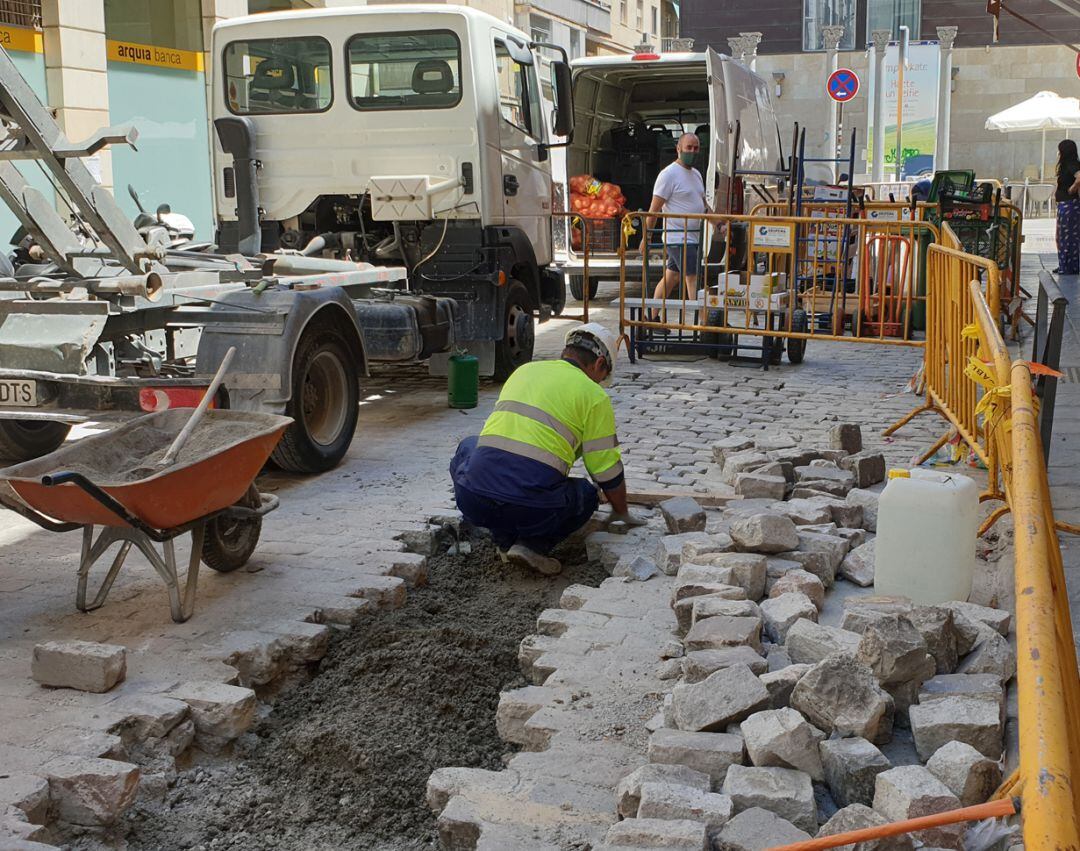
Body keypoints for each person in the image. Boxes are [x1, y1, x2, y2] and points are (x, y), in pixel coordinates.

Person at [449, 324, 643, 575]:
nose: (601, 383)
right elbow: (605, 469)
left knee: (469, 445)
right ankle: (532, 545)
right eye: (602, 377)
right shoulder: (594, 396)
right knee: (586, 493)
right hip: (530, 506)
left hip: (472, 498)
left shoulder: (524, 371)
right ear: (600, 364)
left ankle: (503, 541)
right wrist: (621, 510)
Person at [641, 133, 707, 315]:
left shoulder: (696, 174)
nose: (693, 152)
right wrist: (645, 237)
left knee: (671, 277)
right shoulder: (668, 175)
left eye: (696, 148)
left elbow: (704, 205)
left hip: (693, 236)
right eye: (689, 148)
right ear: (679, 148)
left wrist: (720, 224)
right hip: (679, 237)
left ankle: (652, 318)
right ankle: (702, 323)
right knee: (692, 278)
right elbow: (654, 209)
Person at [1055, 139, 1080, 275]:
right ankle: (1064, 264)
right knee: (1062, 236)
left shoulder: (1072, 164)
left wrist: (1072, 189)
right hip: (1065, 204)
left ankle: (1068, 267)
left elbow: (1079, 177)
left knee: (1067, 237)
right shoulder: (1067, 165)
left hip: (1070, 205)